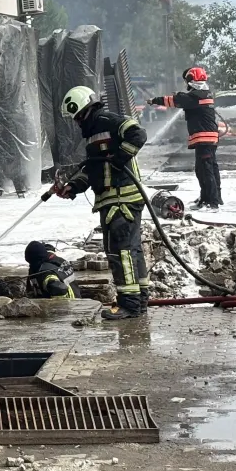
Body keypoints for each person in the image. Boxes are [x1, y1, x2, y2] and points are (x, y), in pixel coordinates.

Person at [52, 86, 150, 319]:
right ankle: (140, 300)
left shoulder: (108, 121)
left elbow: (138, 135)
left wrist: (120, 157)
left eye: (76, 117)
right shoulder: (95, 135)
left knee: (121, 252)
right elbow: (95, 168)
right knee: (132, 251)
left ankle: (130, 304)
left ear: (84, 109)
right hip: (115, 199)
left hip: (121, 199)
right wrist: (72, 188)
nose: (76, 123)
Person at [148, 66, 221, 210]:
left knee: (205, 170)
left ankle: (211, 202)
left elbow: (173, 100)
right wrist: (181, 97)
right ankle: (211, 198)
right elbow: (183, 99)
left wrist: (154, 100)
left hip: (204, 138)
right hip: (209, 138)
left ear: (191, 80)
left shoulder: (195, 96)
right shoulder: (204, 94)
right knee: (209, 168)